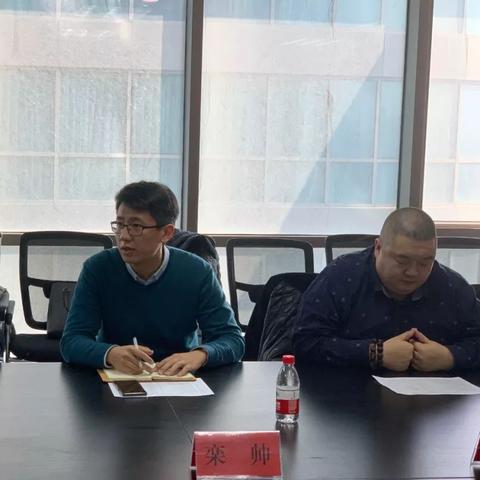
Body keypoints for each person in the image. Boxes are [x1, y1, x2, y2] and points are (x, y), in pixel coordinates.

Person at [61, 181, 244, 375]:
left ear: (166, 233)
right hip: (118, 377)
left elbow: (232, 339)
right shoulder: (98, 269)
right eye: (120, 225)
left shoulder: (197, 271)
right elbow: (72, 341)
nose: (124, 236)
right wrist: (110, 353)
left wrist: (200, 355)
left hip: (178, 378)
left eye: (136, 226)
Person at [293, 208, 480, 371]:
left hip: (434, 397)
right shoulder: (341, 277)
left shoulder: (452, 287)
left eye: (425, 262)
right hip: (348, 394)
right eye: (402, 260)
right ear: (378, 247)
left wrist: (450, 357)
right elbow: (304, 342)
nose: (413, 272)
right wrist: (374, 353)